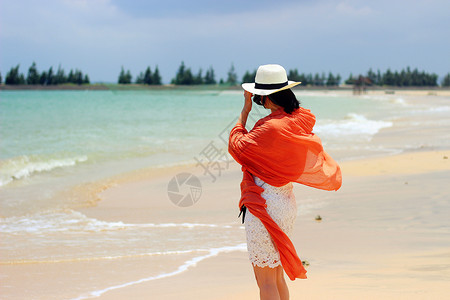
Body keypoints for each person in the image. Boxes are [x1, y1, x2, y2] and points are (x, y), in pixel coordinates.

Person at [228, 64, 342, 300]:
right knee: (276, 275)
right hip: (285, 202)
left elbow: (237, 145)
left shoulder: (269, 127)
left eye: (259, 97)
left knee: (265, 281)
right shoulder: (298, 121)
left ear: (265, 97)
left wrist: (246, 110)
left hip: (264, 205)